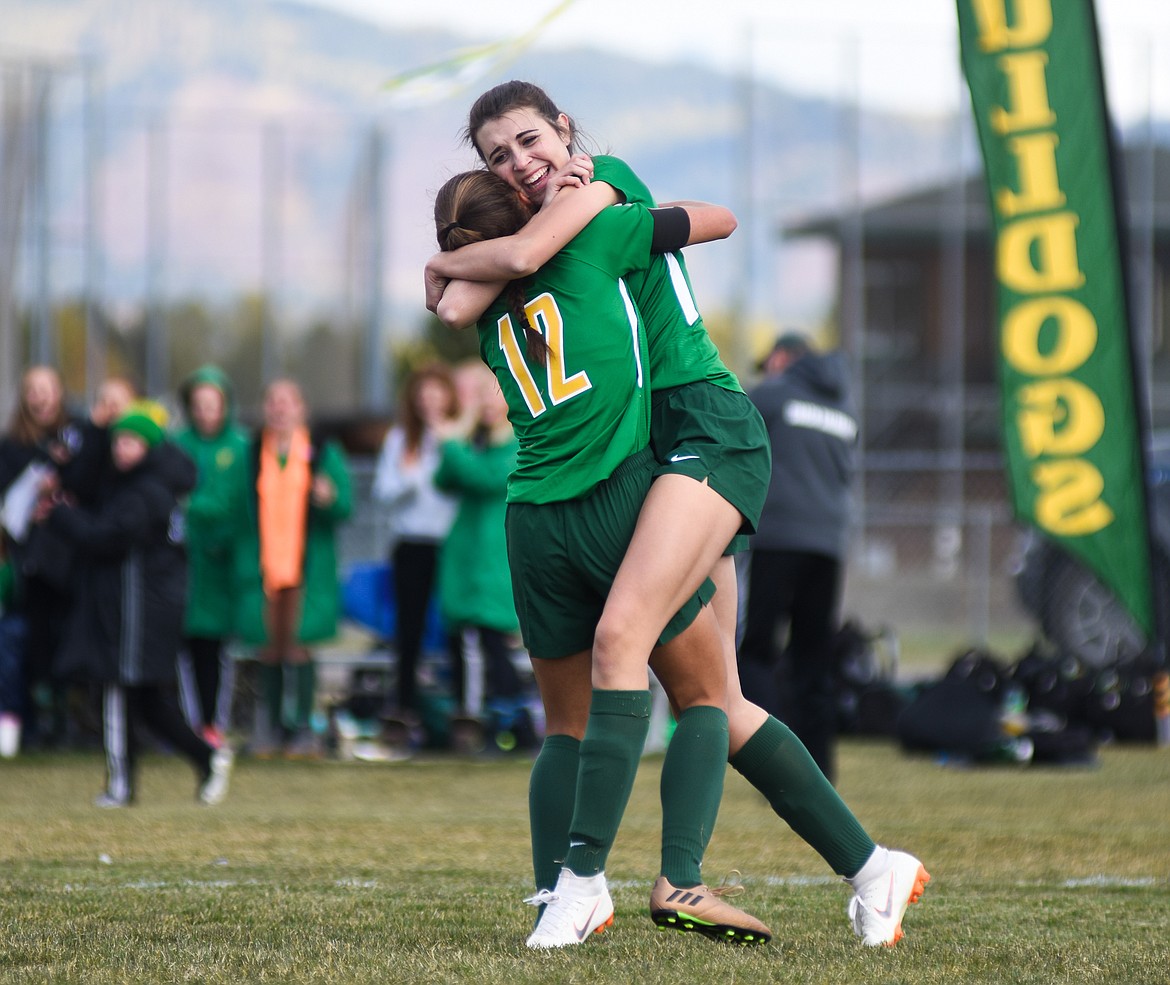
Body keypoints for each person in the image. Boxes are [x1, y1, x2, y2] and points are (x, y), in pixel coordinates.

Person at [426, 80, 929, 949]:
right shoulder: (552, 226)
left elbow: (490, 275)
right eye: (498, 158)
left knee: (633, 645)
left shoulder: (597, 185)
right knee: (718, 694)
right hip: (653, 447)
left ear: (567, 131)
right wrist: (463, 262)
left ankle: (615, 882)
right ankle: (872, 866)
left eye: (530, 141)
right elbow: (469, 295)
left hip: (705, 427)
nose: (520, 164)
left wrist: (449, 258)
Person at [432, 168, 771, 949]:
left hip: (529, 512)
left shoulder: (475, 294)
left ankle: (556, 888)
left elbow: (457, 298)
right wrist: (583, 204)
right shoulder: (592, 237)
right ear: (522, 214)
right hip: (613, 493)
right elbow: (720, 217)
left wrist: (457, 257)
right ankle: (645, 878)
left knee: (562, 725)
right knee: (706, 695)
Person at [41, 401, 232, 807]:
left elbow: (104, 537)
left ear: (149, 445)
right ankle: (207, 756)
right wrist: (93, 431)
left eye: (131, 441)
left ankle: (120, 786)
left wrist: (60, 516)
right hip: (140, 610)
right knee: (149, 704)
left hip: (136, 613)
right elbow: (86, 481)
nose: (122, 449)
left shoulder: (145, 493)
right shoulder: (135, 483)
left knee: (116, 692)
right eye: (118, 441)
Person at [739, 332, 858, 784]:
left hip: (778, 537)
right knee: (813, 661)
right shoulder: (844, 406)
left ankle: (769, 765)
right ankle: (819, 773)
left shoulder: (772, 394)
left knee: (757, 652)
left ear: (784, 358)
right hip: (828, 544)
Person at [235, 378, 352, 759]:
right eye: (273, 402)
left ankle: (303, 727)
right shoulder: (252, 451)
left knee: (300, 647)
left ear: (301, 409)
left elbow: (344, 507)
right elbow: (238, 508)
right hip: (264, 565)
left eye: (288, 402)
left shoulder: (320, 451)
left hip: (306, 565)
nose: (280, 409)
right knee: (268, 647)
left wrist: (329, 498)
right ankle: (268, 727)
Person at [432, 362, 524, 730]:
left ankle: (513, 718)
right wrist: (461, 436)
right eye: (480, 395)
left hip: (495, 556)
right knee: (457, 635)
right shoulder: (474, 443)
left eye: (493, 393)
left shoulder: (518, 443)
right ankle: (466, 716)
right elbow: (443, 480)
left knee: (493, 639)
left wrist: (451, 443)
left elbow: (484, 478)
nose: (486, 403)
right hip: (463, 554)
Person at [0, 365, 85, 748]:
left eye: (46, 388)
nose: (39, 397)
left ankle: (69, 720)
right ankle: (35, 723)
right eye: (32, 389)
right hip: (30, 564)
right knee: (31, 645)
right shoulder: (13, 448)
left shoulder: (77, 439)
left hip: (70, 560)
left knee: (68, 639)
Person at [371, 365, 459, 726]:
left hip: (451, 545)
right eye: (423, 394)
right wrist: (411, 477)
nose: (430, 401)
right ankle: (404, 705)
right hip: (411, 545)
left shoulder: (459, 436)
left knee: (457, 626)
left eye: (436, 392)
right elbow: (382, 492)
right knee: (409, 629)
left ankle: (460, 706)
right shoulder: (399, 440)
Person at [174, 365, 250, 749]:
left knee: (218, 650)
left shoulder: (238, 446)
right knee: (187, 650)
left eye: (213, 404)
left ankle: (214, 727)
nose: (205, 412)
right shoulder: (178, 444)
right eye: (198, 404)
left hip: (222, 565)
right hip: (184, 564)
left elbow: (231, 504)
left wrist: (195, 506)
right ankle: (191, 727)